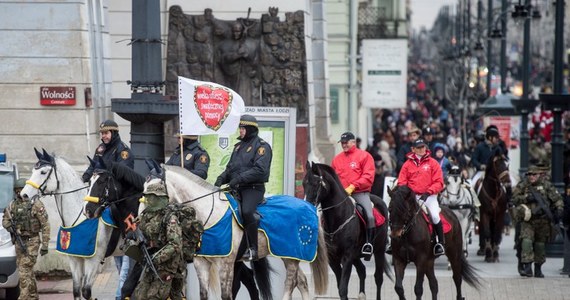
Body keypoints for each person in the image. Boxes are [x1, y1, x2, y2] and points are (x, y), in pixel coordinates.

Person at [81, 119, 134, 300]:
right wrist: (86, 175)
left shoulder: (123, 151)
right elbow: (93, 165)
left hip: (120, 196)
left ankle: (128, 237)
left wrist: (105, 175)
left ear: (114, 133)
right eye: (102, 133)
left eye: (106, 133)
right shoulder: (100, 149)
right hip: (103, 193)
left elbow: (123, 174)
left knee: (118, 213)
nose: (103, 136)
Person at [214, 115, 272, 261]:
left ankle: (253, 249)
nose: (240, 131)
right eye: (240, 128)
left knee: (246, 211)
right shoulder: (238, 147)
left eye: (243, 128)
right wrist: (220, 179)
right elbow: (230, 169)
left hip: (253, 189)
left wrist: (239, 179)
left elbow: (260, 170)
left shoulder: (262, 146)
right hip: (237, 189)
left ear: (251, 129)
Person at [134, 182, 185, 299]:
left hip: (168, 263)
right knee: (140, 295)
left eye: (152, 197)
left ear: (159, 198)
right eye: (148, 197)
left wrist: (157, 258)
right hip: (151, 259)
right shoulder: (147, 215)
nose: (149, 200)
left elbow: (175, 244)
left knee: (155, 296)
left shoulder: (170, 218)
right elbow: (141, 232)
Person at [511, 165, 564, 277]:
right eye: (529, 174)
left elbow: (557, 199)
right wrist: (526, 198)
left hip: (543, 221)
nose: (531, 177)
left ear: (539, 175)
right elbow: (513, 199)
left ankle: (538, 268)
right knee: (526, 241)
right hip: (528, 220)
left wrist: (559, 210)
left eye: (534, 174)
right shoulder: (523, 185)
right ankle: (528, 267)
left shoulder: (547, 186)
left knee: (540, 245)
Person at [2, 178, 50, 300]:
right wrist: (10, 228)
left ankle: (23, 297)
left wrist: (45, 244)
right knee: (26, 271)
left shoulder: (36, 204)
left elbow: (45, 225)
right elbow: (5, 220)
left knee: (24, 270)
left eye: (20, 190)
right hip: (19, 242)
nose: (19, 193)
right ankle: (33, 296)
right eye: (16, 190)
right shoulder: (12, 205)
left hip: (32, 241)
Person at [397, 138, 446, 256]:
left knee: (434, 215)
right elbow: (402, 182)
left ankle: (440, 243)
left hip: (429, 196)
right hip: (411, 196)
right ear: (413, 149)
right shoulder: (407, 165)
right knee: (398, 214)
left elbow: (439, 182)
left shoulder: (433, 163)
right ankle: (394, 242)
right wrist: (407, 193)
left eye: (423, 147)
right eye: (418, 147)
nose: (421, 150)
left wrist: (428, 192)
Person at [331, 132, 376, 259]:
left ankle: (368, 244)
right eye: (342, 143)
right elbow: (333, 179)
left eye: (346, 142)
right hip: (341, 195)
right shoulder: (336, 159)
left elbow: (368, 176)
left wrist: (353, 186)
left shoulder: (365, 156)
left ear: (353, 142)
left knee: (370, 215)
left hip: (359, 193)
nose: (344, 145)